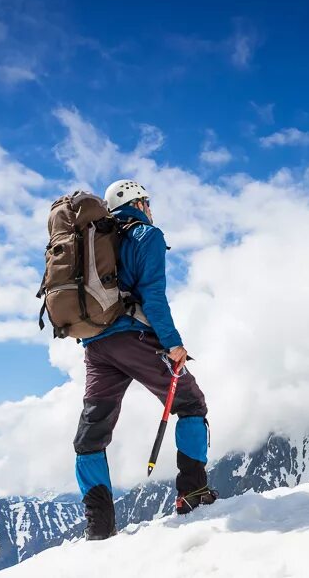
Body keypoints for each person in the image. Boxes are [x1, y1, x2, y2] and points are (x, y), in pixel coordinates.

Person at [73, 179, 216, 541]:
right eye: (147, 201)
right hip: (135, 338)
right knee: (191, 403)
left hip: (96, 346)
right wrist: (174, 344)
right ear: (137, 202)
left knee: (92, 435)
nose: (150, 208)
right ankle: (193, 493)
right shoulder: (144, 236)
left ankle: (99, 527)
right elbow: (153, 296)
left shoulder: (91, 238)